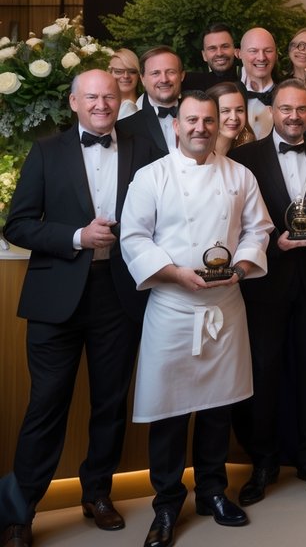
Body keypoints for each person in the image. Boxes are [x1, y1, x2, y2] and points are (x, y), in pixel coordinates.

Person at [0, 70, 156, 547]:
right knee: (46, 404)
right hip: (56, 299)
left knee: (110, 403)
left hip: (119, 293)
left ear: (121, 98)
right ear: (74, 102)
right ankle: (18, 513)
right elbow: (18, 225)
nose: (102, 104)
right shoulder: (47, 151)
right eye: (92, 97)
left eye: (110, 96)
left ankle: (98, 494)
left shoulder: (145, 148)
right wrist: (76, 237)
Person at [120, 90, 273, 547]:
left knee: (217, 408)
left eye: (208, 120)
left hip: (224, 307)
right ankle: (166, 504)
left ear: (219, 123)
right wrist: (175, 274)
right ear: (176, 125)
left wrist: (243, 267)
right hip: (171, 307)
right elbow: (134, 237)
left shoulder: (239, 175)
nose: (200, 128)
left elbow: (258, 229)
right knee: (169, 412)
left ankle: (212, 491)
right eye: (192, 121)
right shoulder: (152, 177)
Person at [228, 80, 306, 506]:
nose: (294, 117)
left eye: (302, 110)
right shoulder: (243, 159)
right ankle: (263, 461)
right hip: (265, 282)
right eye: (286, 109)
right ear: (272, 111)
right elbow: (234, 225)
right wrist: (276, 244)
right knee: (264, 374)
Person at [116, 46, 183, 158]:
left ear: (182, 76)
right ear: (143, 79)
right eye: (155, 73)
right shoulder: (124, 128)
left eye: (170, 72)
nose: (164, 79)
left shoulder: (203, 117)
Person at [238, 27, 280, 139]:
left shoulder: (287, 95)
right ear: (239, 54)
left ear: (276, 55)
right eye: (253, 51)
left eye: (268, 51)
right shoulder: (229, 96)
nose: (261, 57)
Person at [182, 23, 239, 92]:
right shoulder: (190, 83)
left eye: (225, 46)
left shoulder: (248, 80)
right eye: (212, 48)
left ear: (235, 50)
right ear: (204, 55)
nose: (219, 53)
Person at [207, 82, 255, 156]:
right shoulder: (196, 152)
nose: (234, 118)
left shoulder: (248, 151)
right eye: (225, 111)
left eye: (239, 110)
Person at [108, 48, 142, 119]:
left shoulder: (148, 104)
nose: (126, 76)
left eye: (132, 71)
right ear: (109, 73)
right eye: (119, 71)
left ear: (138, 75)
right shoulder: (101, 106)